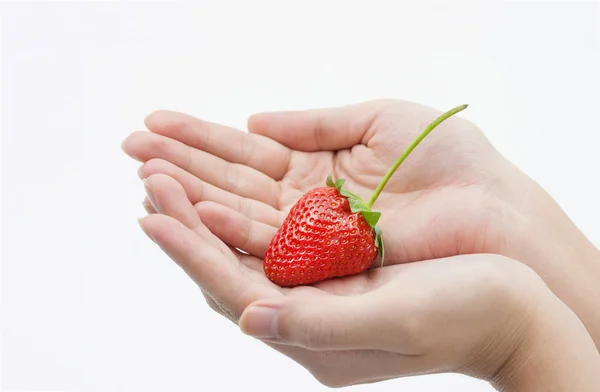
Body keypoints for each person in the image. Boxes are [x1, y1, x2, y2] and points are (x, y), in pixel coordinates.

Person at [121, 99, 600, 390]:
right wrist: (509, 217)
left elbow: (520, 333)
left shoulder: (344, 225)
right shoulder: (338, 221)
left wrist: (517, 342)